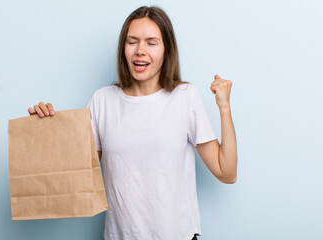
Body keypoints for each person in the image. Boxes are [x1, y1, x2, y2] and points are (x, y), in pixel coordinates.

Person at [28, 6, 237, 240]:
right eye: (132, 42)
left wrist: (224, 107)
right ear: (123, 48)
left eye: (151, 42)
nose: (140, 51)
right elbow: (74, 177)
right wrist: (45, 129)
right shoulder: (102, 100)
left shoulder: (185, 97)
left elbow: (226, 173)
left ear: (166, 50)